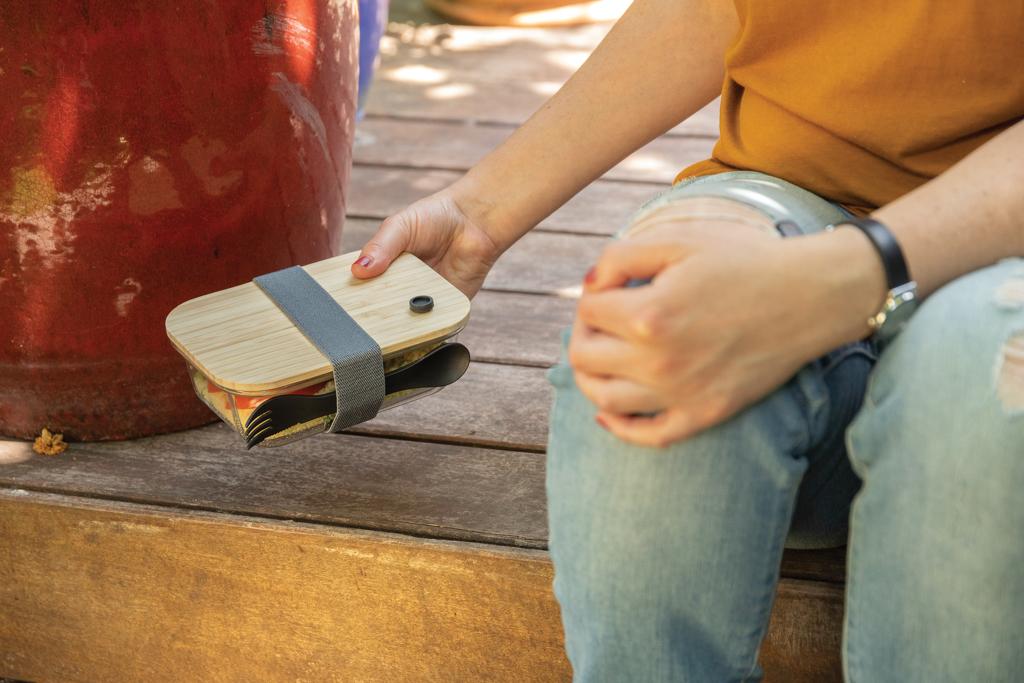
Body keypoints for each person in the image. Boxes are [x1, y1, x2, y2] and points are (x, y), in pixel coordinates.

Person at [352, 1, 1024, 680]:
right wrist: (479, 214)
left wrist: (851, 274)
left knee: (982, 377)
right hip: (794, 189)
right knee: (644, 337)